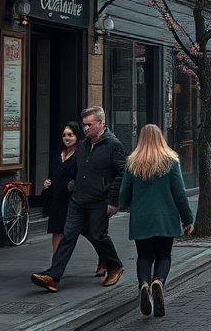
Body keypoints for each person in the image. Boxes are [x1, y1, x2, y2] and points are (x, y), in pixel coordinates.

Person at [31, 106, 127, 293]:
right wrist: (71, 185)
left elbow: (121, 173)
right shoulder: (83, 145)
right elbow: (77, 170)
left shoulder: (114, 145)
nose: (85, 129)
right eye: (84, 125)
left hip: (99, 199)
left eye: (89, 125)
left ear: (101, 123)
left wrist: (113, 200)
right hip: (78, 199)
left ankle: (115, 266)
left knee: (98, 236)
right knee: (68, 235)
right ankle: (52, 277)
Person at [119, 124, 194, 317]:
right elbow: (180, 195)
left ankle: (144, 285)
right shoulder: (171, 162)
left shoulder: (132, 163)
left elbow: (123, 195)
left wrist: (125, 205)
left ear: (140, 139)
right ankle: (158, 282)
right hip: (165, 219)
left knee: (144, 256)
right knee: (164, 256)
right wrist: (187, 219)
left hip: (141, 219)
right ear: (161, 138)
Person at [41, 121, 81, 263]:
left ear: (77, 136)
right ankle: (55, 260)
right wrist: (47, 182)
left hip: (71, 198)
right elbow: (53, 173)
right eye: (64, 135)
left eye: (70, 135)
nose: (67, 138)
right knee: (57, 229)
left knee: (89, 232)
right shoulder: (58, 153)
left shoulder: (80, 154)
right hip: (57, 198)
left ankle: (103, 258)